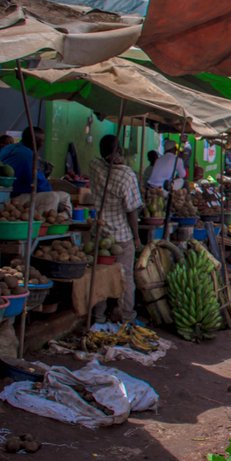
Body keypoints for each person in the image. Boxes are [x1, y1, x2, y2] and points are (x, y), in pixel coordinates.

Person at [90, 134, 143, 326]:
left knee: (101, 276)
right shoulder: (127, 174)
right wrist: (136, 237)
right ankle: (126, 314)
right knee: (125, 276)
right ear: (119, 151)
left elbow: (102, 161)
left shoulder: (94, 166)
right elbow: (131, 210)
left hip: (100, 232)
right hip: (120, 234)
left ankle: (99, 317)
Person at [0, 128, 51, 197]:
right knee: (55, 196)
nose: (42, 144)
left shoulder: (9, 148)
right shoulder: (28, 155)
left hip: (1, 191)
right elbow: (37, 183)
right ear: (34, 142)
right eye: (41, 141)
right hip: (14, 194)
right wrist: (50, 190)